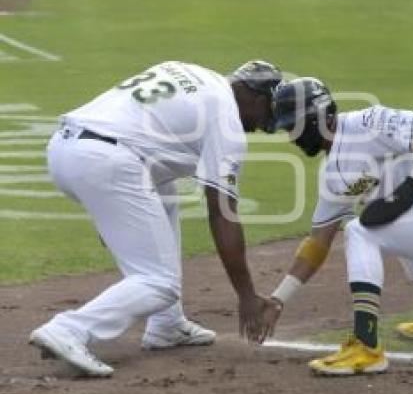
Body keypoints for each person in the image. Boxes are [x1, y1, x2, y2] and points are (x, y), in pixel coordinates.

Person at [30, 60, 283, 377]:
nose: (260, 126)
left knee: (166, 195)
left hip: (66, 148)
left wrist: (118, 222)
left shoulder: (196, 74)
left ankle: (167, 324)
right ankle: (71, 329)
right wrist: (246, 296)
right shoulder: (227, 121)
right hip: (107, 161)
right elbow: (222, 213)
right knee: (158, 281)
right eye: (266, 116)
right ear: (258, 98)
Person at [256, 77, 413, 375]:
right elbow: (317, 243)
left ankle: (367, 347)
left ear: (315, 118)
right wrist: (278, 299)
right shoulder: (332, 176)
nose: (291, 136)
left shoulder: (368, 122)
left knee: (360, 231)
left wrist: (411, 188)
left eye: (292, 126)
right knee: (390, 223)